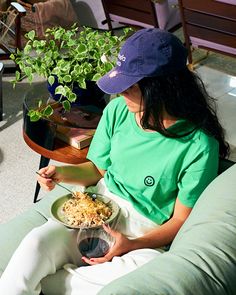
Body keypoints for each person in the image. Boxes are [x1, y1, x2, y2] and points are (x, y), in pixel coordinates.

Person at [0, 28, 229, 295]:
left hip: (144, 233)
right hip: (97, 211)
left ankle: (54, 283)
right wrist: (60, 173)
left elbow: (179, 221)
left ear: (162, 87)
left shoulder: (198, 145)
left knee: (136, 275)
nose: (121, 93)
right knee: (35, 243)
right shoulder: (117, 111)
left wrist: (131, 245)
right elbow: (97, 169)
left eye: (130, 86)